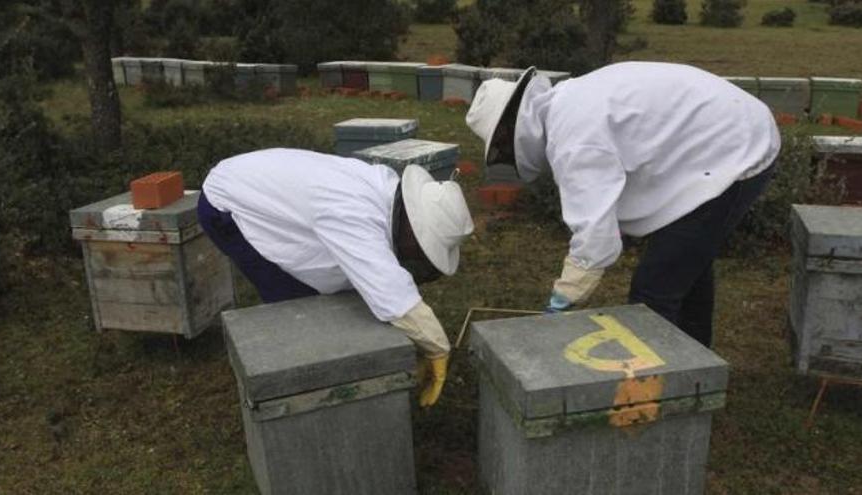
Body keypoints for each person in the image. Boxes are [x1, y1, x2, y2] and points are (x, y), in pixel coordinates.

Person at [466, 62, 781, 347]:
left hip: (735, 149)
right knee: (682, 265)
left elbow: (594, 241)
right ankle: (697, 367)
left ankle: (657, 391)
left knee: (653, 291)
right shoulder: (569, 102)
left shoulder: (574, 140)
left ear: (511, 132)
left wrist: (561, 300)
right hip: (726, 135)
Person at [198, 148, 474, 406]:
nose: (418, 257)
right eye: (422, 248)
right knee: (293, 303)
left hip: (250, 180)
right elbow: (392, 294)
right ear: (413, 227)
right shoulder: (351, 213)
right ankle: (299, 391)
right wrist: (437, 348)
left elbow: (374, 267)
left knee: (341, 279)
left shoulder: (382, 187)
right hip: (225, 205)